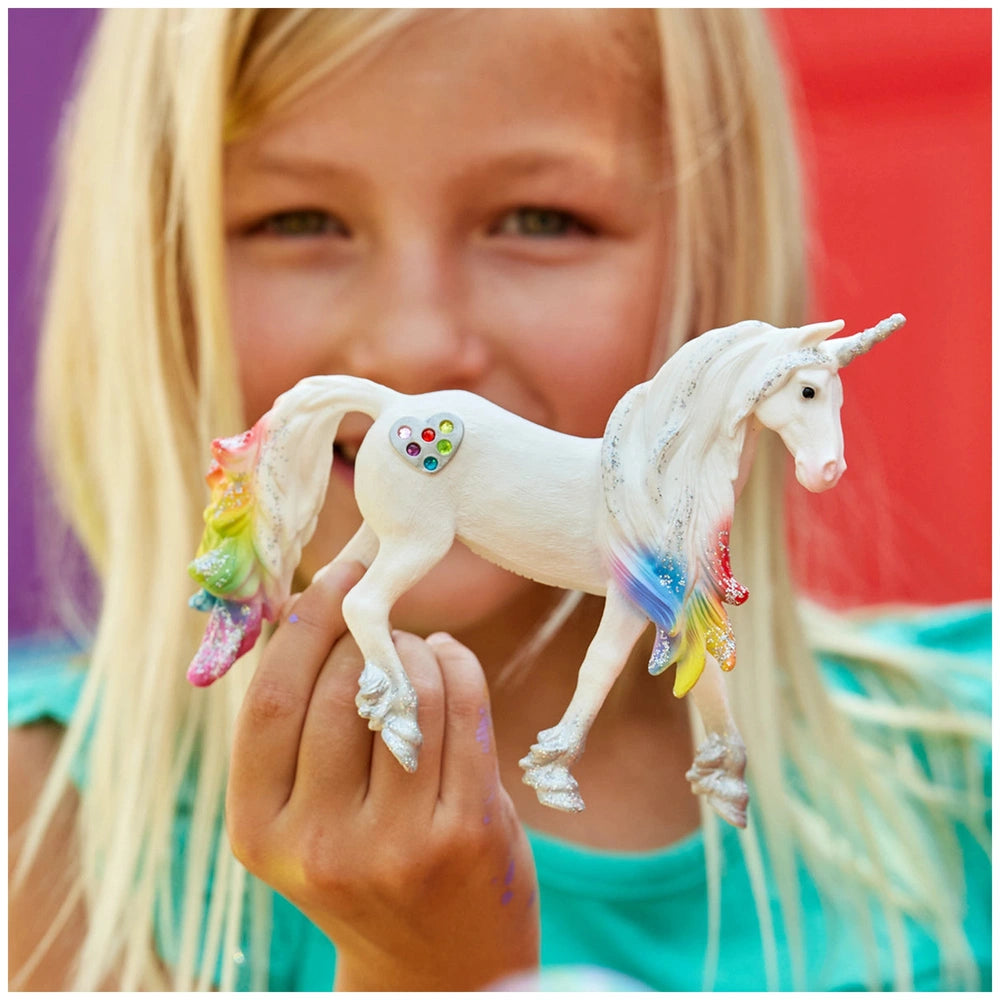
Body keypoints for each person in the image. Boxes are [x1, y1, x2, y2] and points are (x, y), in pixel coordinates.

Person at [9, 8, 990, 992]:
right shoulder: (42, 827)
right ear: (158, 277)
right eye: (296, 221)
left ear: (718, 254)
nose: (416, 345)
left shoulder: (973, 759)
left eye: (539, 220)